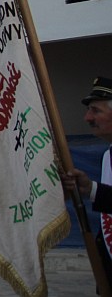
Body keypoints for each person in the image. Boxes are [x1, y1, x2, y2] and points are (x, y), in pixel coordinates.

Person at [60, 76, 112, 287]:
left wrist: (92, 190)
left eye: (95, 111)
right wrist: (89, 188)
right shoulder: (108, 156)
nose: (87, 118)